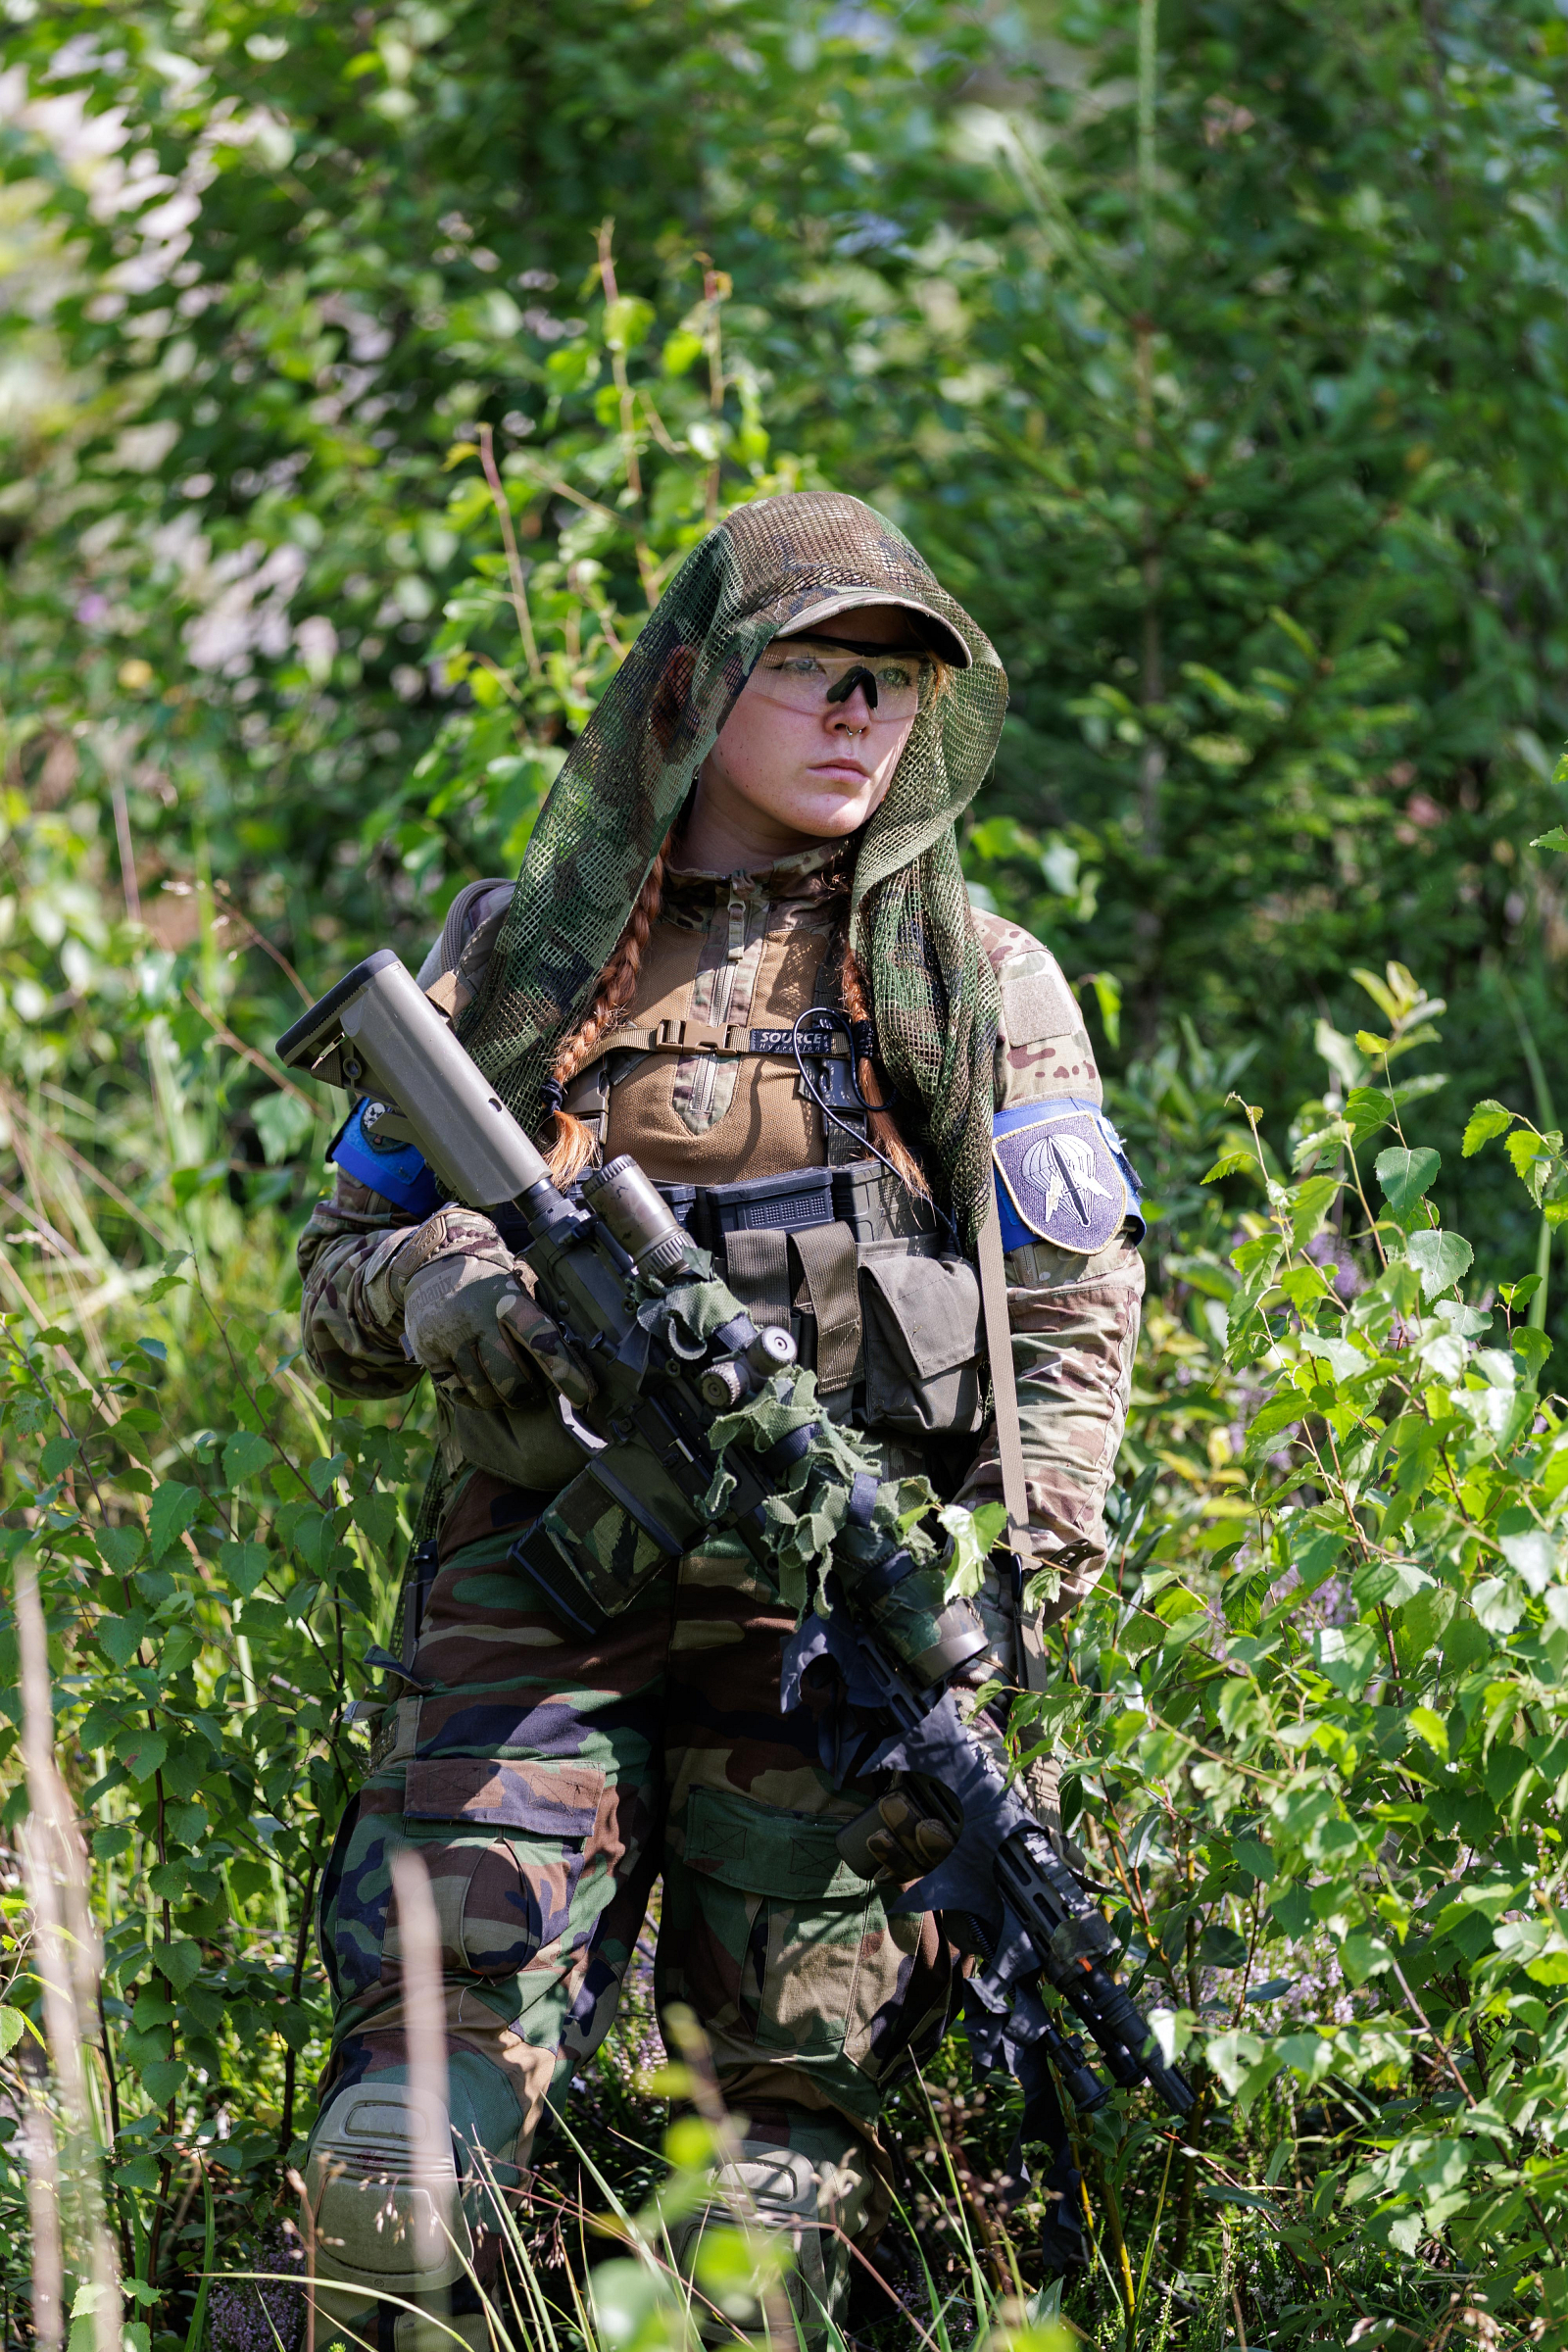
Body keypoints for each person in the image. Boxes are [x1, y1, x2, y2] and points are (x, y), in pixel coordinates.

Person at [295, 491, 1144, 2349]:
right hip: (533, 1597)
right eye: (816, 670)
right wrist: (445, 1287)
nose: (861, 715)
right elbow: (333, 1283)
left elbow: (1069, 1325)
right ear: (695, 689)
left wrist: (1018, 1588)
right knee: (394, 2178)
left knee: (764, 2216)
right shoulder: (526, 956)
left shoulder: (975, 982)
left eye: (894, 684)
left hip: (830, 1633)